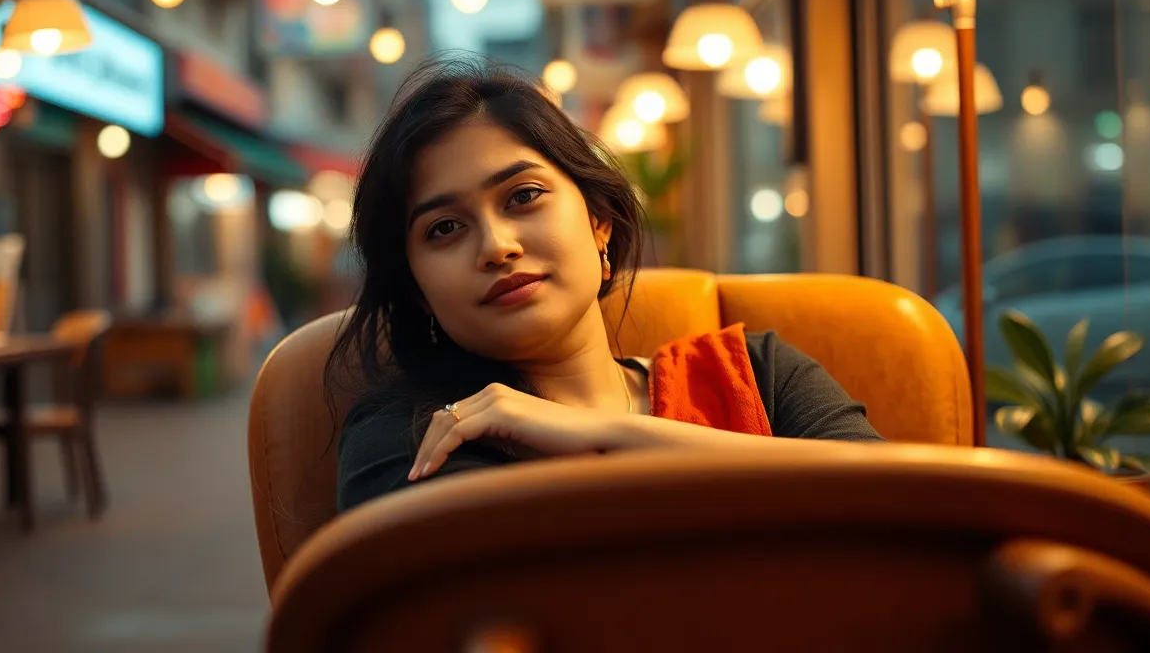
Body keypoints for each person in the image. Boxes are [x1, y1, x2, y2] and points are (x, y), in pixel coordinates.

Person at [330, 58, 882, 513]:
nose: (496, 246)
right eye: (443, 228)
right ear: (418, 288)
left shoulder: (757, 374)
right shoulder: (415, 438)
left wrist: (601, 437)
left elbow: (894, 502)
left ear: (600, 221)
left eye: (523, 196)